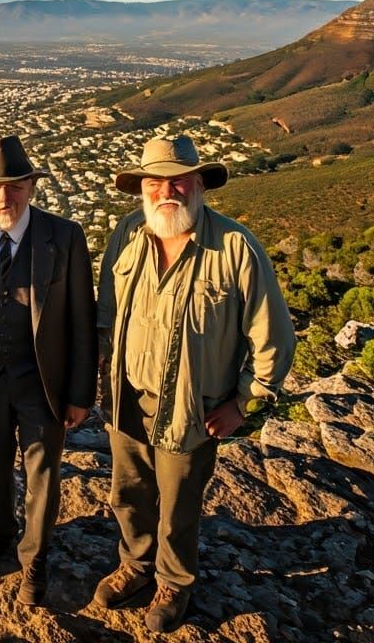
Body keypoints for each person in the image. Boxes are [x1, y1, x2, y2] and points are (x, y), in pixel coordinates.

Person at [92, 133, 295, 633]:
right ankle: (135, 566)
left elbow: (273, 337)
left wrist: (243, 403)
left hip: (192, 407)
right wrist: (97, 376)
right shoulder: (127, 234)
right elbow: (107, 313)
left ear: (198, 184)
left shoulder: (234, 246)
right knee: (129, 493)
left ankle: (174, 583)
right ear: (142, 188)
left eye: (178, 181)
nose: (168, 191)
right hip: (128, 396)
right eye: (156, 182)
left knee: (179, 505)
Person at [0, 135, 97, 606]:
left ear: (32, 186)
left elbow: (81, 319)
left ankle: (34, 559)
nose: (3, 197)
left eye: (14, 187)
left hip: (43, 382)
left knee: (43, 475)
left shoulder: (65, 235)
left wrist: (80, 393)